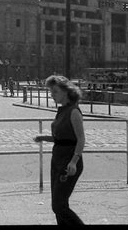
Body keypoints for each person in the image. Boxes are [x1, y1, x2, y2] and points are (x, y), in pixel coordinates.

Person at [33, 75, 85, 225]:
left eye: (55, 91)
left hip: (68, 163)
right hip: (57, 161)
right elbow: (62, 138)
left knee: (59, 205)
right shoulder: (62, 110)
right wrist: (43, 137)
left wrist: (74, 161)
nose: (52, 95)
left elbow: (80, 139)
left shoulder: (74, 112)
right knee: (58, 205)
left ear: (66, 91)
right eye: (51, 92)